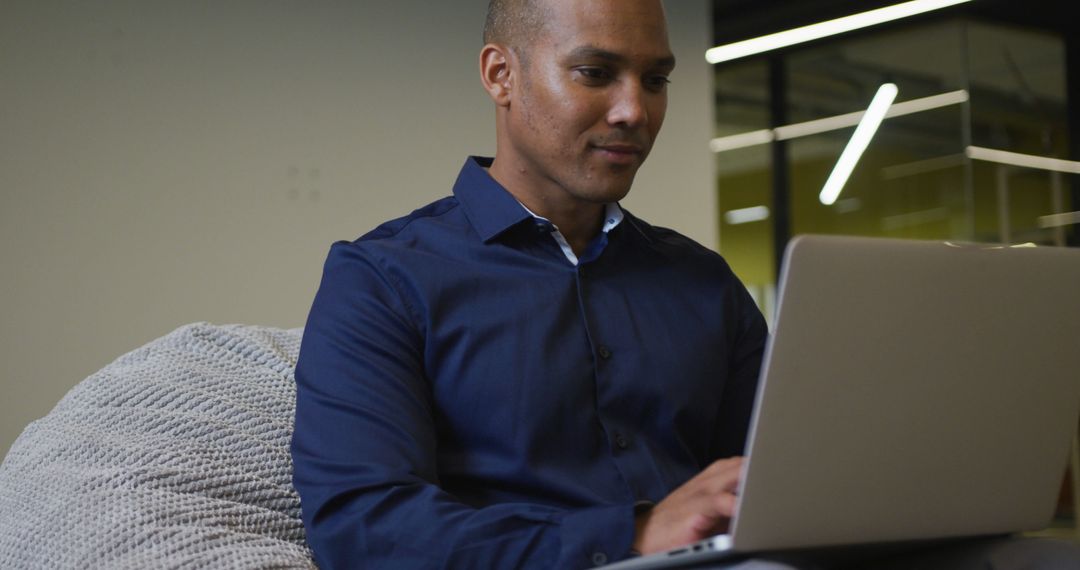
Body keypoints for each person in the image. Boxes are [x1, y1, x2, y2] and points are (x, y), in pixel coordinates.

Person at [290, 1, 1080, 569]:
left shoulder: (702, 282)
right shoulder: (382, 277)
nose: (635, 111)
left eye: (657, 78)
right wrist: (633, 533)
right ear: (502, 74)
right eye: (596, 73)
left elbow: (786, 474)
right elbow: (361, 525)